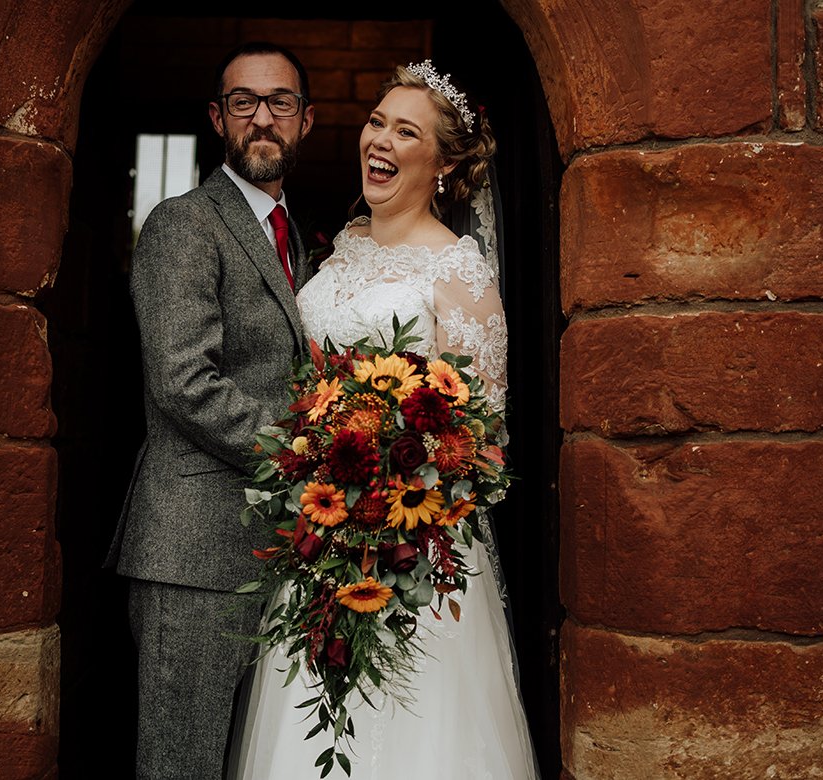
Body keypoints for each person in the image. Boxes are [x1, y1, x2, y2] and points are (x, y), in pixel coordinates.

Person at [231, 62, 540, 778]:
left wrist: (398, 485)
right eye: (377, 122)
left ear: (446, 163)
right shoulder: (341, 252)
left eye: (407, 131)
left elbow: (485, 437)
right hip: (324, 538)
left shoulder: (459, 270)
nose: (382, 140)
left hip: (415, 551)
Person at [107, 41, 315, 780]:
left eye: (280, 102)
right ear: (216, 117)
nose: (263, 118)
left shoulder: (304, 243)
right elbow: (182, 380)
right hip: (193, 550)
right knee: (182, 763)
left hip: (282, 553)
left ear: (306, 120)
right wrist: (306, 464)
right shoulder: (183, 223)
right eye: (243, 103)